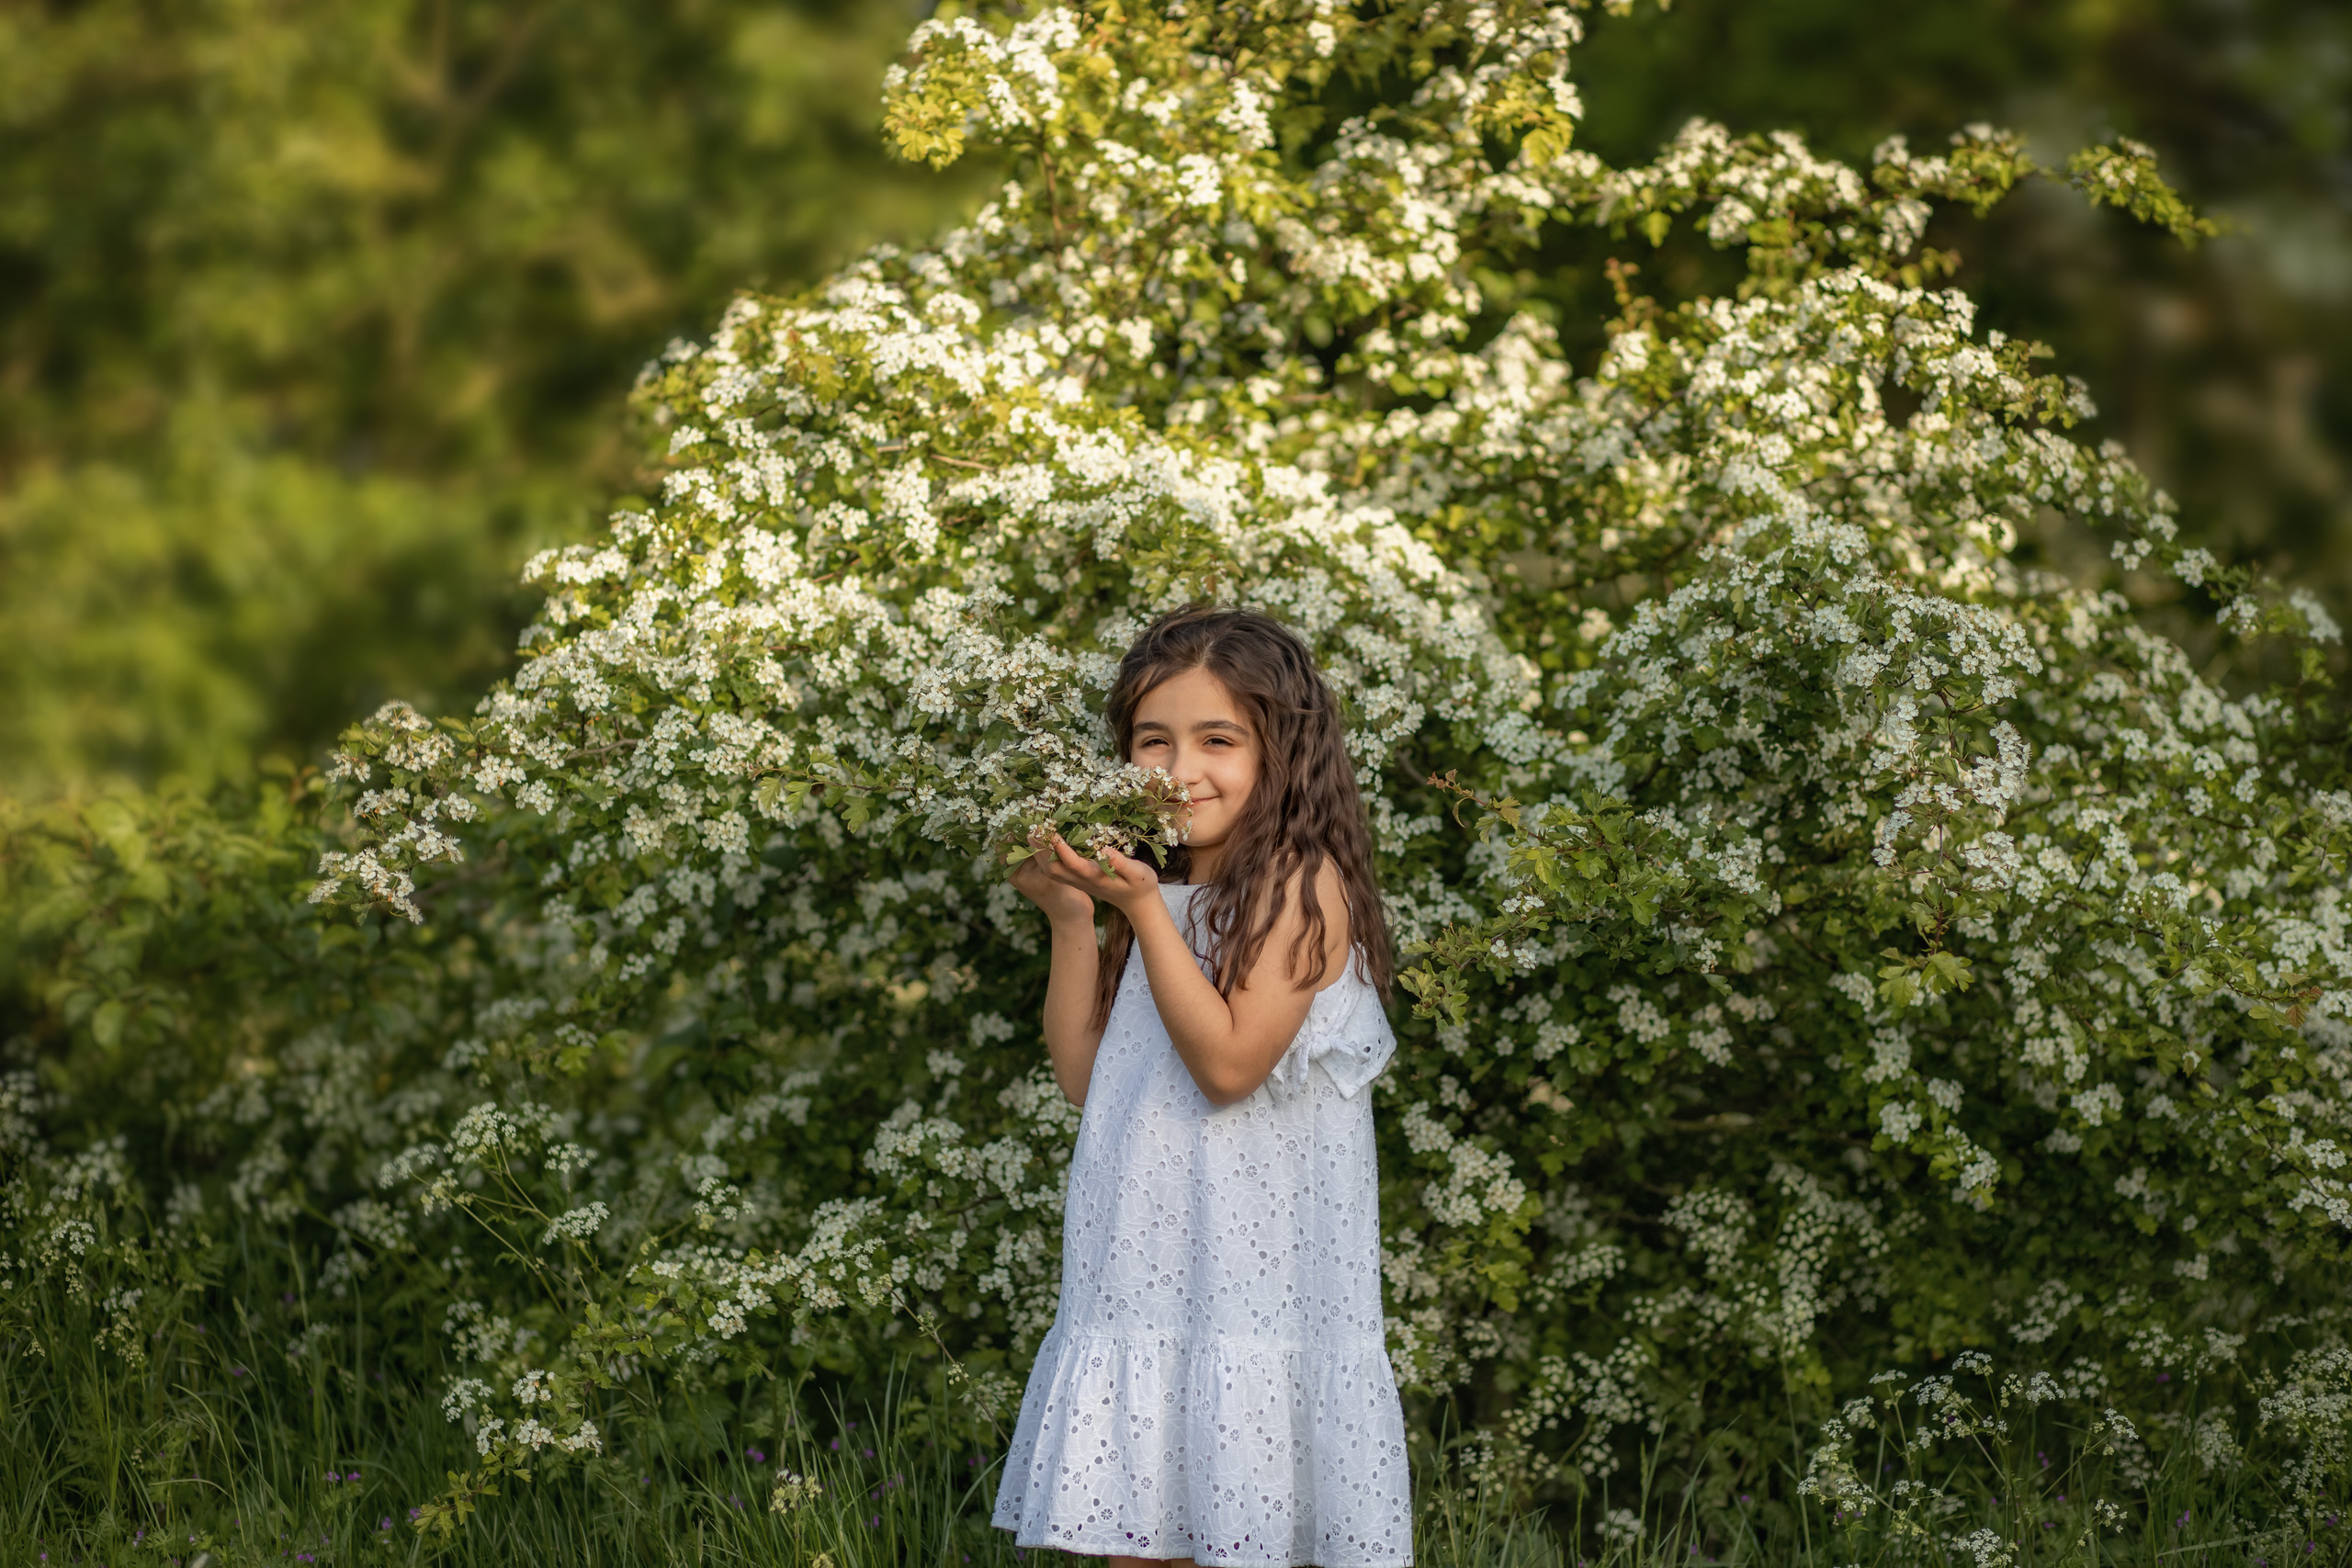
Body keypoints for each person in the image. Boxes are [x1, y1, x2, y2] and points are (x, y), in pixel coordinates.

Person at [991, 606, 1413, 1568]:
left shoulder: (1298, 886)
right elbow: (1087, 1081)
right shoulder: (1157, 894)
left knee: (1232, 1538)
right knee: (1139, 1548)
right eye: (1154, 739)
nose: (1180, 769)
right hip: (1146, 1269)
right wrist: (1070, 918)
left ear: (1283, 752)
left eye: (1217, 739)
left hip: (1247, 1284)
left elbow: (1226, 1068)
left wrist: (1140, 910)